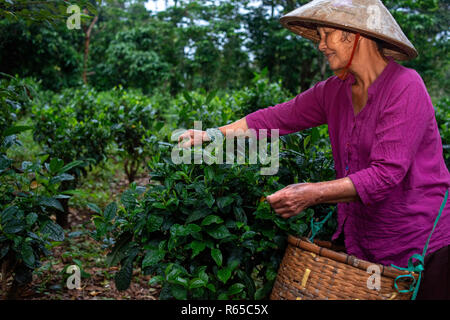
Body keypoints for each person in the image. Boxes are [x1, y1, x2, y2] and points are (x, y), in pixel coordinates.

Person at [178, 0, 450, 299]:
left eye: (326, 35)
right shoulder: (334, 91)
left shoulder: (405, 86)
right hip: (367, 241)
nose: (321, 46)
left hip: (424, 243)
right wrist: (213, 134)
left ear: (353, 34)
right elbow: (278, 116)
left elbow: (386, 174)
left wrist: (310, 193)